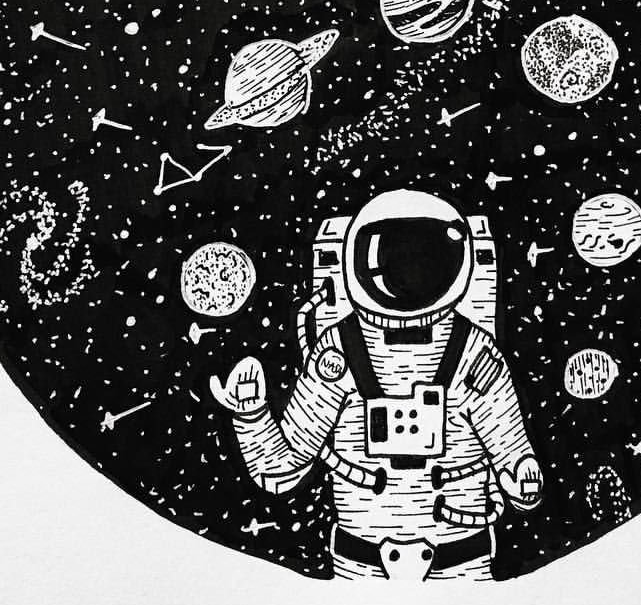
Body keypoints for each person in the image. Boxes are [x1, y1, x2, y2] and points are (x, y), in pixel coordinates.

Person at [211, 188, 543, 580]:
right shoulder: (338, 354)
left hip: (459, 561)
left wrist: (523, 481)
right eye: (391, 255)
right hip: (361, 564)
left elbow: (512, 455)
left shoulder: (474, 355)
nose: (406, 275)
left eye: (423, 256)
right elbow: (283, 470)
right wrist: (252, 416)